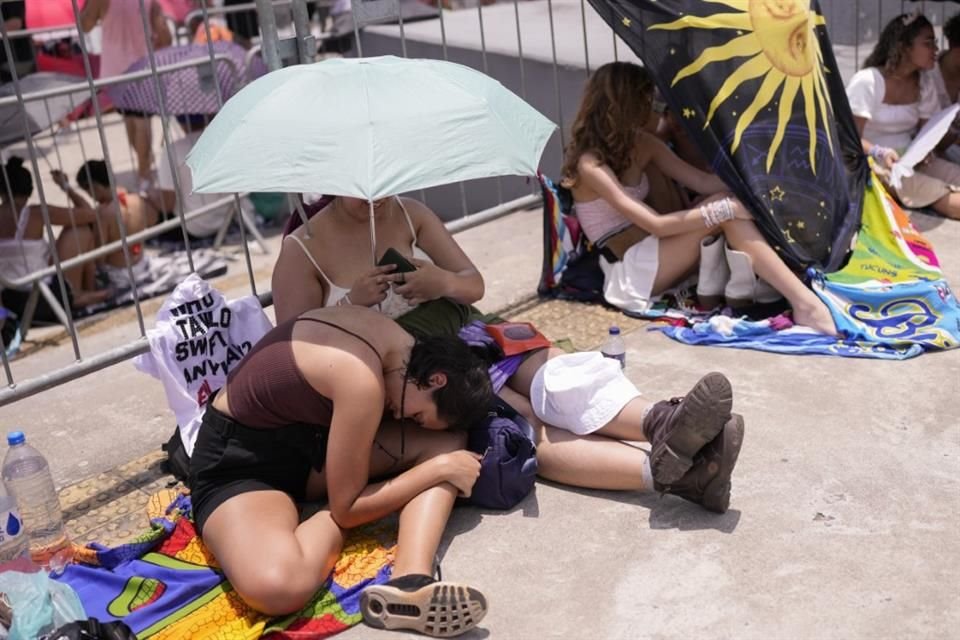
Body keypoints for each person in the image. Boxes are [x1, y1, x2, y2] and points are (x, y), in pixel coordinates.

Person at [271, 194, 746, 514]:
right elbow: (293, 350)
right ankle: (673, 473)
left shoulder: (406, 211)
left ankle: (661, 423)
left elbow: (471, 284)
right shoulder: (302, 249)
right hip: (408, 383)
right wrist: (352, 305)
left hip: (469, 337)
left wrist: (441, 282)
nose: (372, 190)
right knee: (522, 424)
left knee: (550, 377)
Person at [189, 305, 493, 636]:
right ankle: (332, 508)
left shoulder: (399, 344)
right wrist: (436, 470)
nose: (405, 420)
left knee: (448, 441)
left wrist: (440, 460)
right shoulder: (362, 381)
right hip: (241, 467)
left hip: (309, 447)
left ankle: (410, 579)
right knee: (279, 587)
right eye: (416, 416)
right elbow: (347, 511)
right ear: (436, 380)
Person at [562, 61, 837, 336]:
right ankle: (803, 302)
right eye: (650, 100)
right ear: (629, 105)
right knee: (725, 210)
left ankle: (793, 288)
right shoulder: (590, 165)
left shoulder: (642, 144)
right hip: (630, 270)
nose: (656, 109)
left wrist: (763, 181)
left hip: (655, 249)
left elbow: (704, 182)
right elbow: (655, 224)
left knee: (723, 198)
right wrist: (724, 210)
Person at [846, 13, 960, 220]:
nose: (936, 50)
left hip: (912, 158)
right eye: (928, 43)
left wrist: (926, 149)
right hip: (876, 164)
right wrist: (879, 152)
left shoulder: (924, 83)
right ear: (904, 47)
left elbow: (928, 132)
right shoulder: (869, 81)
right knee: (947, 199)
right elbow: (848, 138)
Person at [0, 157, 111, 320]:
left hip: (9, 302)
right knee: (80, 228)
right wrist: (65, 187)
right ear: (30, 190)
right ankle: (84, 291)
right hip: (44, 298)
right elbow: (91, 215)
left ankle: (82, 293)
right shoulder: (36, 213)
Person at [79, 0, 172, 193]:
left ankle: (144, 169)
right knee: (140, 123)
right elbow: (165, 36)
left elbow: (85, 26)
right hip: (142, 67)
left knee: (133, 123)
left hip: (115, 72)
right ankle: (144, 170)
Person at [148, 114, 236, 243]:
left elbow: (167, 204)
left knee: (145, 207)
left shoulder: (173, 150)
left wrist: (151, 197)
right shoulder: (224, 141)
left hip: (193, 227)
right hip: (227, 218)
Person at [70, 160, 153, 290]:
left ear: (95, 187)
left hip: (120, 275)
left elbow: (100, 258)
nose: (91, 197)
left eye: (89, 192)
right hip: (142, 264)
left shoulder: (104, 214)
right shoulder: (136, 198)